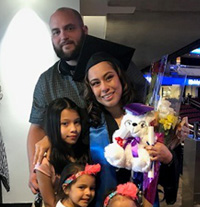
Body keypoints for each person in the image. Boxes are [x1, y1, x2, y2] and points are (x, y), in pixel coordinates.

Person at [28, 7, 147, 195]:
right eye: (56, 32)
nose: (63, 36)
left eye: (69, 28)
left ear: (84, 30)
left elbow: (144, 104)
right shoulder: (46, 82)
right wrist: (34, 168)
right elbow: (37, 127)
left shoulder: (117, 66)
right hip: (72, 184)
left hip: (123, 174)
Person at [84, 51, 181, 207]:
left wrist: (167, 157)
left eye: (109, 77)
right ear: (91, 89)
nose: (104, 87)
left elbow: (165, 171)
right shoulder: (87, 124)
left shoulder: (149, 117)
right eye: (96, 83)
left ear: (121, 78)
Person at [24, 97, 88, 207]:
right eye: (65, 124)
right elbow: (50, 202)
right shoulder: (45, 162)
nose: (73, 129)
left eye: (76, 122)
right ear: (53, 125)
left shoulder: (79, 151)